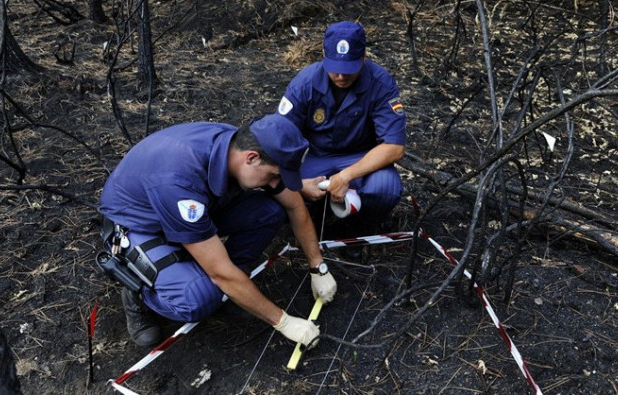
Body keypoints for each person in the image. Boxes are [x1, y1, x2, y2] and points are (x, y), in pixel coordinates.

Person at [97, 114, 337, 348]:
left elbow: (293, 205)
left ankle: (230, 287)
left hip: (192, 210)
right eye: (274, 176)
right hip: (141, 225)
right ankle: (139, 292)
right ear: (251, 158)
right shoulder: (179, 181)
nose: (276, 184)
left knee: (270, 212)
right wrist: (283, 322)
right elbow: (220, 272)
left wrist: (318, 266)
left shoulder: (240, 146)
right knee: (197, 298)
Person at [276, 21, 407, 240]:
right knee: (283, 187)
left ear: (364, 56)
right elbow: (278, 137)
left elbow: (394, 147)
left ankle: (360, 228)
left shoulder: (381, 83)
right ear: (324, 54)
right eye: (335, 68)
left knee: (385, 188)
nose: (341, 76)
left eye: (349, 69)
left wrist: (346, 176)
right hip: (314, 156)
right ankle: (311, 220)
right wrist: (297, 184)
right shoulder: (304, 83)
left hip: (360, 157)